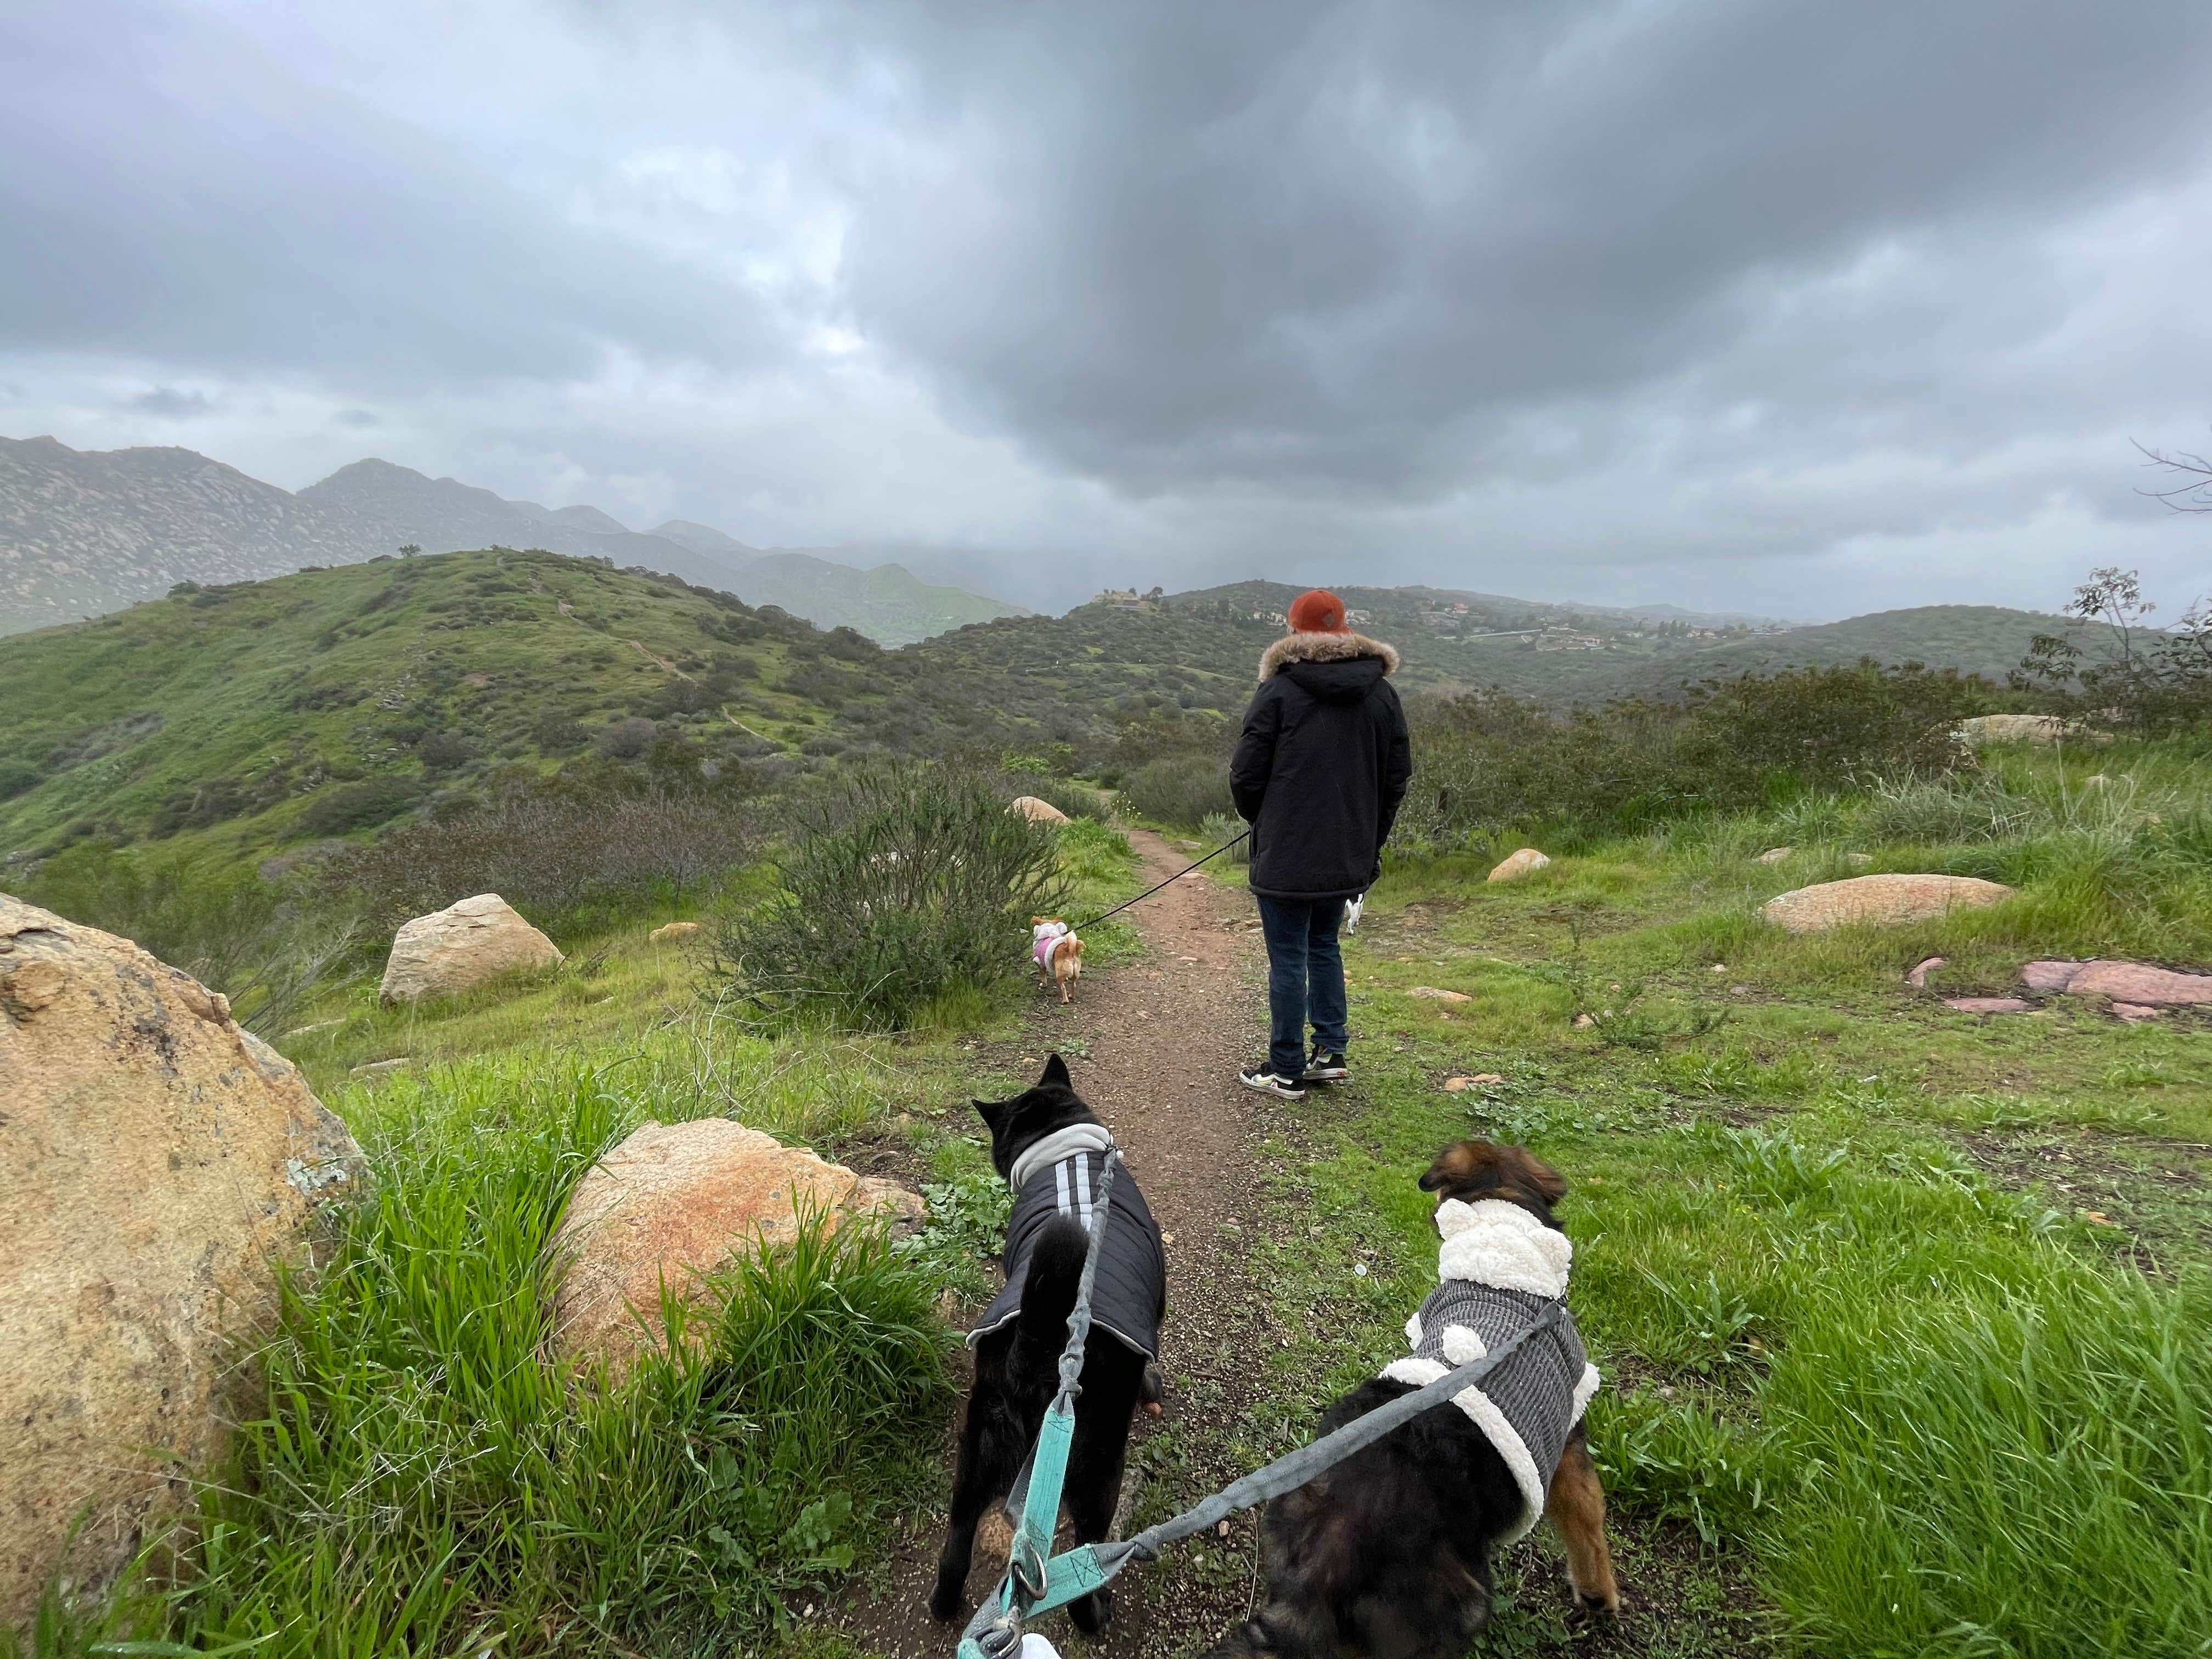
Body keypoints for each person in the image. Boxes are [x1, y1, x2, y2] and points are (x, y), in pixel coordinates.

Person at [1229, 589, 1412, 1098]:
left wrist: (1263, 821)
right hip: (1348, 850)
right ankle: (1330, 1050)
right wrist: (1369, 838)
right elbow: (1397, 778)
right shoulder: (1382, 694)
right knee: (1323, 944)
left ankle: (1285, 1068)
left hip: (1287, 851)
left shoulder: (1279, 692)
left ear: (1293, 631)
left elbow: (1245, 774)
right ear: (1345, 630)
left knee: (1287, 955)